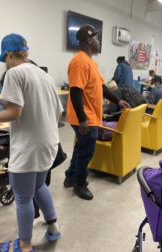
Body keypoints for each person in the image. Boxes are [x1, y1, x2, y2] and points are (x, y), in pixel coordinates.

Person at [0, 33, 63, 251]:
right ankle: (53, 228)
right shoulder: (44, 75)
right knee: (39, 185)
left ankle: (24, 246)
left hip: (29, 147)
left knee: (22, 198)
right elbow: (58, 111)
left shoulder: (15, 73)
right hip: (49, 144)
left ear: (9, 54)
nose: (5, 64)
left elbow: (15, 112)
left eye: (5, 59)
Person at [64, 25, 130, 200]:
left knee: (81, 148)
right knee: (86, 151)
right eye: (97, 39)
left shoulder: (91, 62)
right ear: (88, 40)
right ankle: (79, 183)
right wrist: (83, 119)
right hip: (84, 117)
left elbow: (101, 87)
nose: (99, 42)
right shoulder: (79, 62)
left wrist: (117, 100)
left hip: (90, 115)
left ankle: (70, 177)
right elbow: (75, 92)